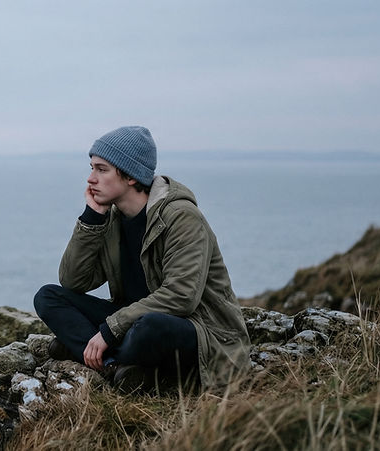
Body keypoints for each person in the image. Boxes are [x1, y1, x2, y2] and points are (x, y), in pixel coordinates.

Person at [33, 126, 251, 391]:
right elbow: (73, 281)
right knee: (48, 297)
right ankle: (116, 364)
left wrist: (108, 331)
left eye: (102, 170)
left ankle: (86, 348)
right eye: (91, 168)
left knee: (148, 327)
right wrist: (92, 219)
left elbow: (181, 296)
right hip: (134, 320)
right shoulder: (113, 218)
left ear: (131, 176)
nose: (91, 179)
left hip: (197, 331)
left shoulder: (181, 216)